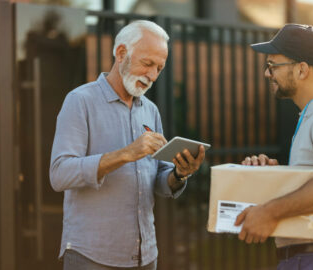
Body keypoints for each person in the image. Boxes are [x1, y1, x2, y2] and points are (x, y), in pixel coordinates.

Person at [50, 20, 205, 270]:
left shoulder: (151, 111)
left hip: (146, 257)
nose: (153, 75)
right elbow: (59, 174)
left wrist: (179, 173)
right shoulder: (79, 101)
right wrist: (126, 154)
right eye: (147, 64)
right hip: (92, 257)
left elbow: (159, 179)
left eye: (159, 68)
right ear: (121, 53)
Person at [236, 24, 313, 269]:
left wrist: (269, 212)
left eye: (273, 65)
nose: (267, 73)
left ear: (302, 70)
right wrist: (276, 174)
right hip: (310, 257)